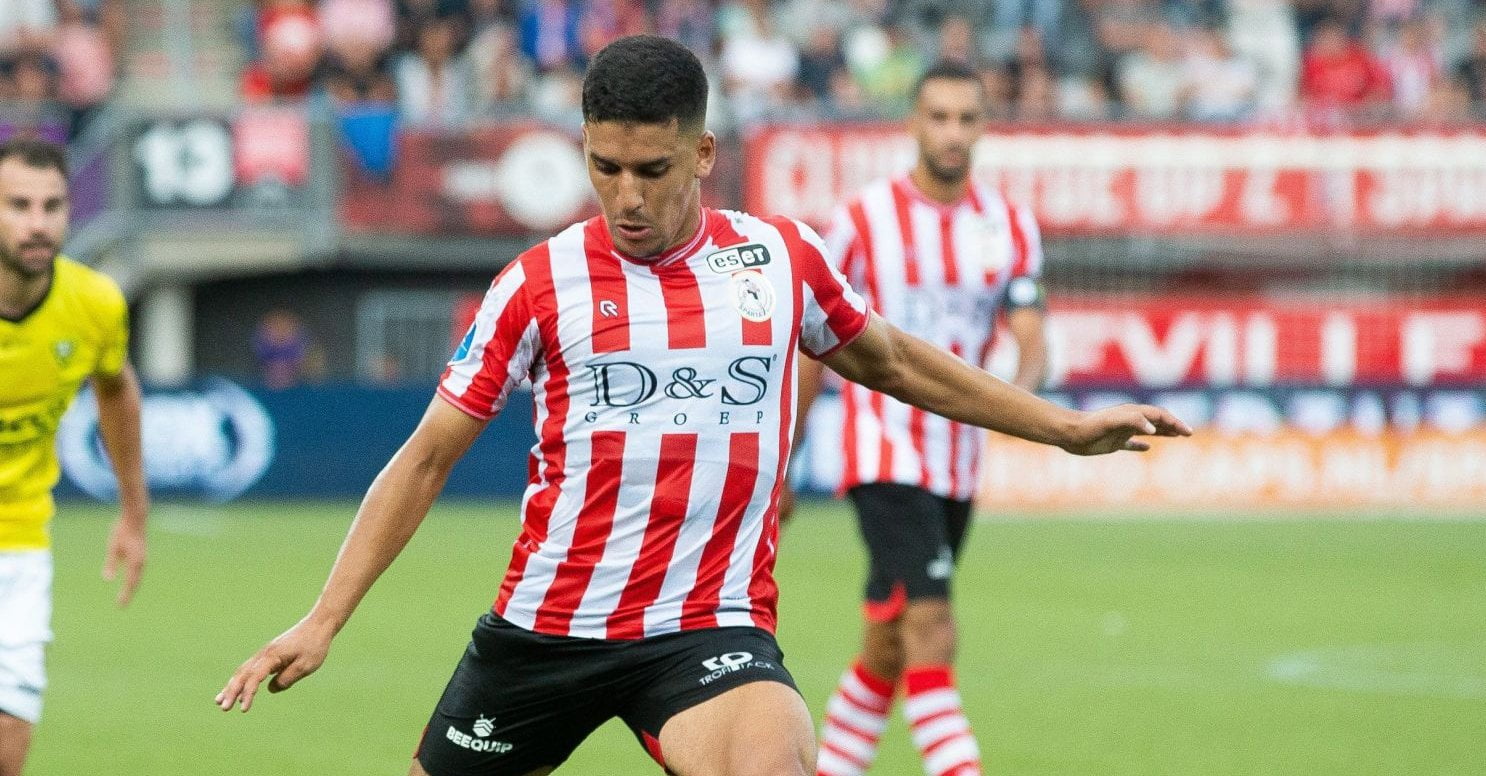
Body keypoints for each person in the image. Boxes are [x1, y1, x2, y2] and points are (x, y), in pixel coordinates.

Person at [215, 36, 1189, 776]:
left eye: (652, 169)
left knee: (778, 757)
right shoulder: (537, 285)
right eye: (605, 168)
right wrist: (322, 617)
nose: (626, 196)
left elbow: (893, 361)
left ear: (703, 152)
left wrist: (1062, 426)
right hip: (545, 630)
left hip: (706, 627)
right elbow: (426, 456)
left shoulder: (781, 261)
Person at [792, 60, 1046, 776]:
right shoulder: (861, 220)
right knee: (933, 627)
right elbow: (814, 342)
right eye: (938, 116)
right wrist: (787, 453)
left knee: (890, 643)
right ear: (912, 123)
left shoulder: (1011, 227)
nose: (952, 132)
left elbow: (1033, 339)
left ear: (983, 127)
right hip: (884, 451)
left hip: (959, 459)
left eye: (967, 118)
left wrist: (1020, 403)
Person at [0, 137, 148, 776]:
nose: (38, 223)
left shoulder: (95, 305)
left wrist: (134, 514)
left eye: (52, 206)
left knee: (10, 739)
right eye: (18, 205)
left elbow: (116, 389)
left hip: (19, 545)